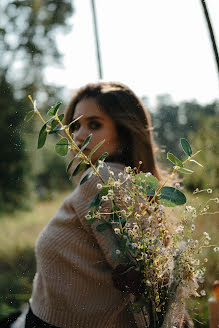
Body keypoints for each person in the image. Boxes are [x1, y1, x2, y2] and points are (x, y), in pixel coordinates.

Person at [9, 81, 191, 328]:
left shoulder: (102, 179)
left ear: (123, 132)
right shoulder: (121, 181)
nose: (78, 135)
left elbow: (142, 286)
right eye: (75, 126)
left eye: (94, 124)